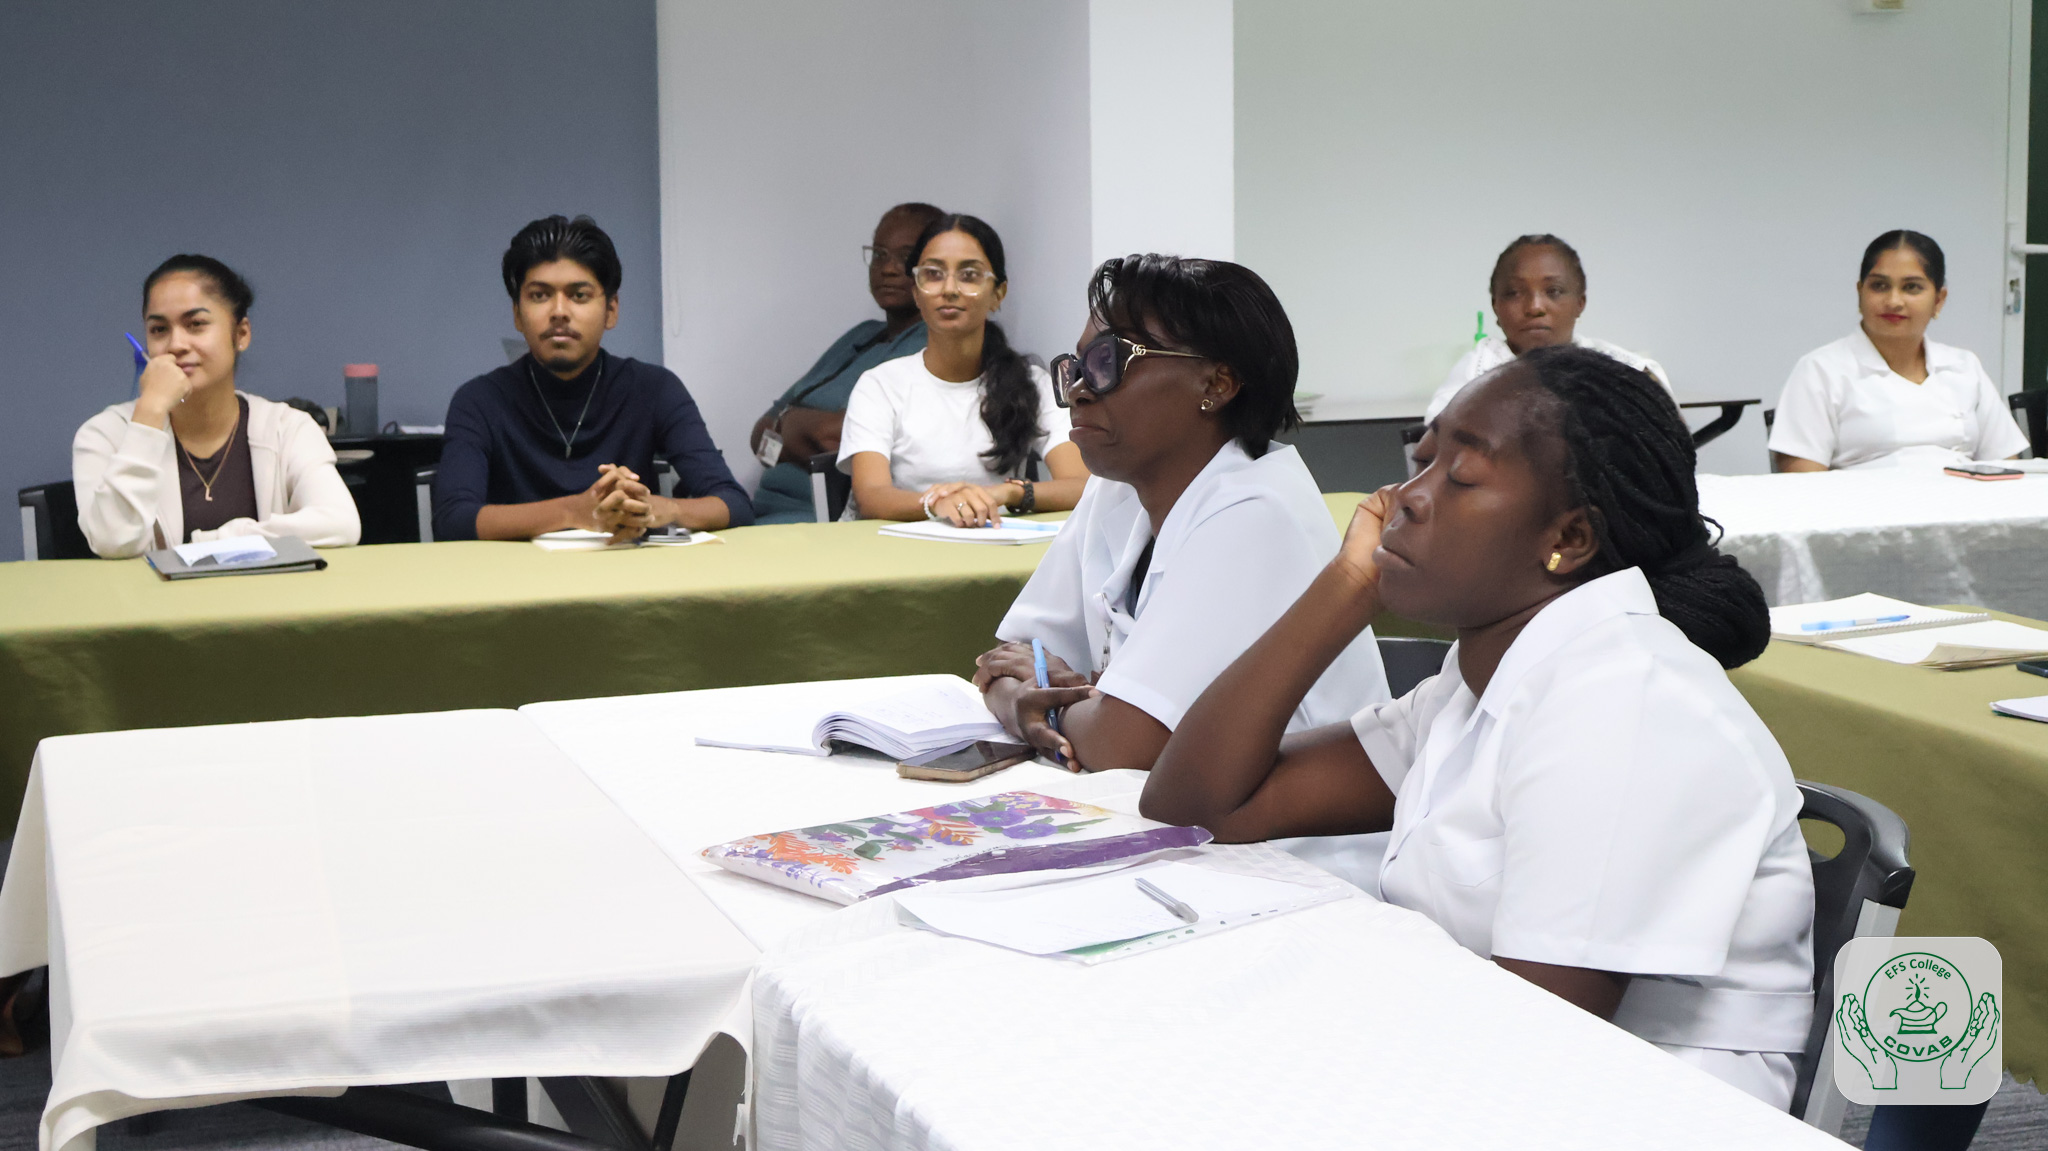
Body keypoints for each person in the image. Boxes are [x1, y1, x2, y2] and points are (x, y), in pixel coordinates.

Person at [1142, 345, 1815, 1110]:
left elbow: (1535, 1050)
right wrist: (1348, 582)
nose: (1404, 498)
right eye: (1420, 462)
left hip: (1656, 1106)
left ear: (1569, 538)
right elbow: (1198, 803)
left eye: (1459, 475)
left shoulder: (1622, 702)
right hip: (1488, 1067)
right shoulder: (1479, 683)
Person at [974, 254, 1390, 775]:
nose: (1078, 390)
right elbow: (1006, 660)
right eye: (1076, 368)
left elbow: (1122, 745)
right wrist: (1049, 698)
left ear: (1216, 384)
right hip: (1160, 805)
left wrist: (1043, 704)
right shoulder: (1118, 485)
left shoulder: (1255, 510)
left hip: (1287, 822)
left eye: (1107, 361)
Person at [433, 215, 751, 542]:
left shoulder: (654, 389)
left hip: (623, 569)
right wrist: (573, 512)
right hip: (516, 572)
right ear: (517, 314)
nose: (559, 311)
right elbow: (453, 519)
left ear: (611, 310)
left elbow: (733, 503)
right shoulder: (479, 400)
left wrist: (656, 509)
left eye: (579, 295)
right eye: (539, 295)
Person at [74, 255, 360, 557]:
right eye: (159, 329)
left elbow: (340, 523)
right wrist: (149, 412)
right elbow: (112, 541)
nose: (176, 344)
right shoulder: (105, 434)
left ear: (241, 334)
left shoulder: (287, 429)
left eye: (196, 324)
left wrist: (210, 545)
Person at [837, 214, 1088, 525]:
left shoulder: (1033, 384)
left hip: (987, 542)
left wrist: (1006, 494)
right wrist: (938, 504)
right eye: (933, 274)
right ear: (916, 292)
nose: (950, 289)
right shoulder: (880, 385)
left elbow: (1081, 485)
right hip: (894, 547)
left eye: (969, 275)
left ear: (998, 293)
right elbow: (871, 496)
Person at [748, 202, 946, 523]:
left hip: (816, 520)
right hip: (761, 511)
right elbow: (759, 434)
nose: (888, 268)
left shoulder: (933, 343)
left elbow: (842, 439)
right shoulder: (862, 335)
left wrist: (787, 424)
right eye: (879, 254)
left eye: (906, 256)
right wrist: (795, 428)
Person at [1769, 230, 2026, 472]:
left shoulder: (1964, 366)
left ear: (1938, 300)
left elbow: (2005, 467)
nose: (1893, 301)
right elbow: (1802, 484)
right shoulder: (1820, 370)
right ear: (1860, 293)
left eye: (1912, 287)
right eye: (1879, 286)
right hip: (1865, 505)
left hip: (1963, 502)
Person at [1425, 234, 1672, 421]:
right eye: (1514, 293)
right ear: (1495, 306)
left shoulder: (1629, 373)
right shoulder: (1473, 376)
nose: (1535, 307)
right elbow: (1436, 452)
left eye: (1553, 291)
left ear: (1580, 303)